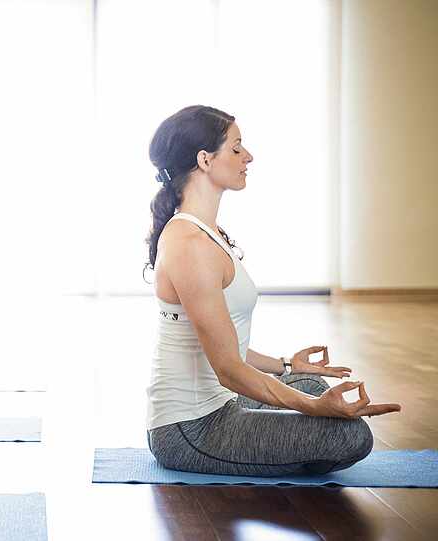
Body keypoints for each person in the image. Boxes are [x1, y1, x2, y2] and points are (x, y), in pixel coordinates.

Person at [144, 105, 401, 476]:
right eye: (236, 148)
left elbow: (221, 342)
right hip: (192, 429)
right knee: (351, 437)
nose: (248, 157)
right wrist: (314, 409)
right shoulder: (189, 244)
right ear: (204, 159)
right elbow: (228, 369)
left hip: (222, 402)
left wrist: (286, 366)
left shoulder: (205, 233)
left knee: (309, 382)